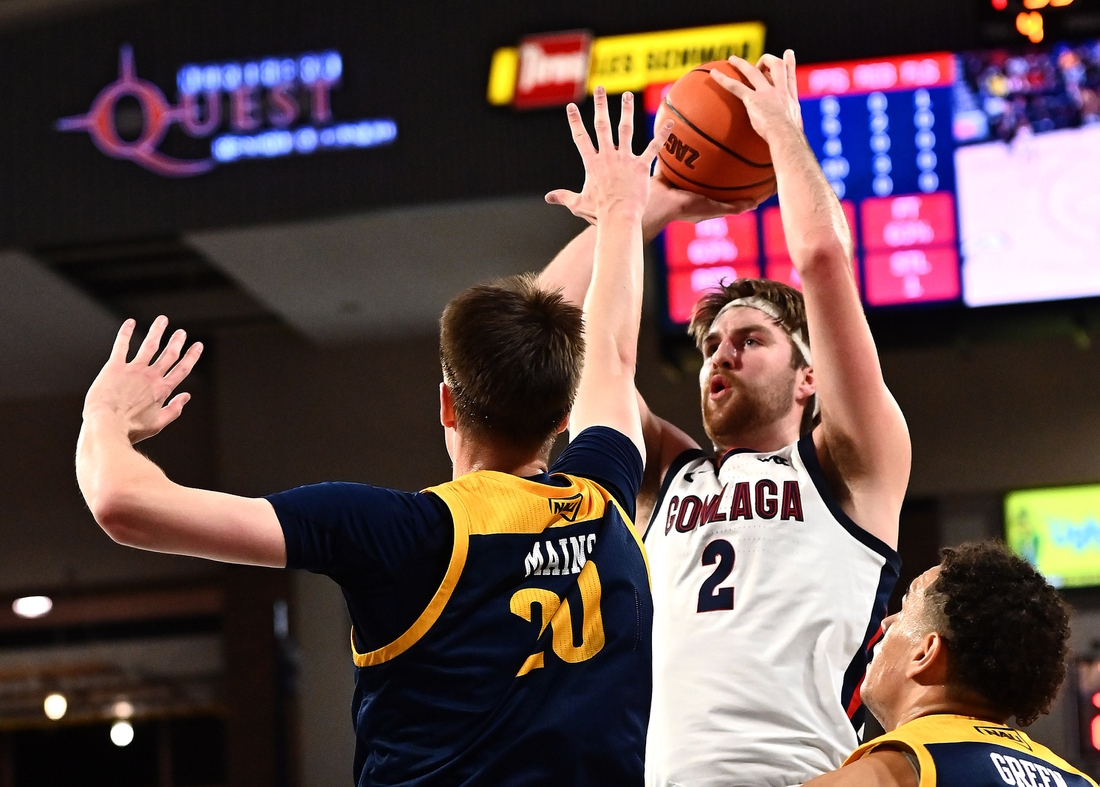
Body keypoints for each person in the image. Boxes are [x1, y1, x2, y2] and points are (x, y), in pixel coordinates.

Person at [75, 89, 671, 786]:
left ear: (447, 405)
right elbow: (613, 350)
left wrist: (106, 416)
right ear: (566, 415)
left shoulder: (400, 534)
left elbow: (122, 502)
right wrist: (627, 211)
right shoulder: (605, 499)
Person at [540, 50, 911, 787]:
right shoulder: (664, 473)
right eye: (711, 344)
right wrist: (655, 204)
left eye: (750, 340)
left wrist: (779, 132)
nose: (721, 357)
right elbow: (538, 330)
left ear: (810, 378)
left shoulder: (853, 461)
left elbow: (822, 258)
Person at [804, 541, 1094, 787]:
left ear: (924, 653)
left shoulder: (894, 773)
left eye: (905, 608)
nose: (886, 622)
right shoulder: (1077, 781)